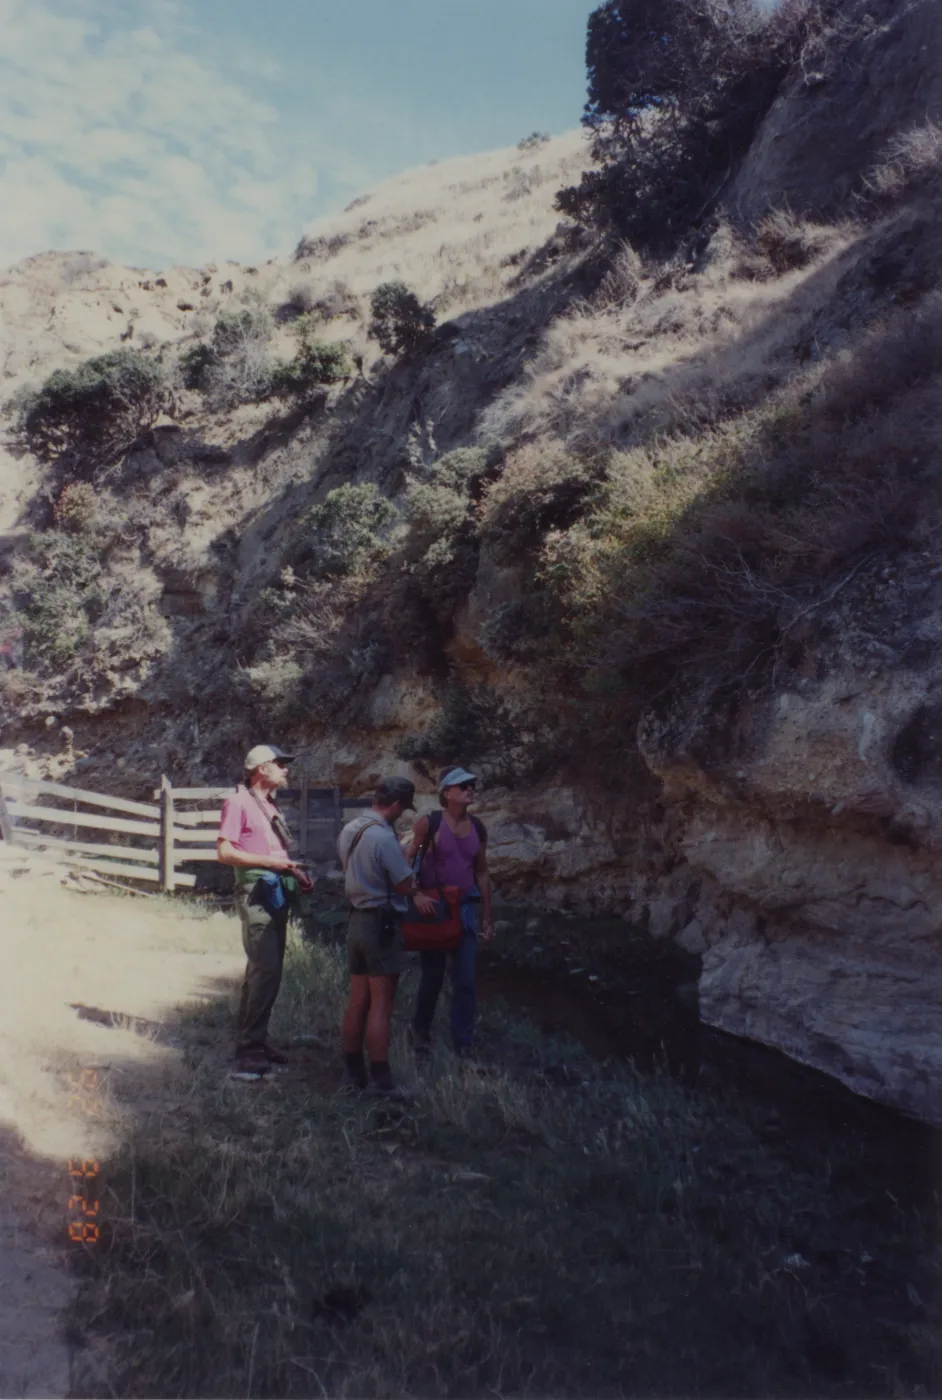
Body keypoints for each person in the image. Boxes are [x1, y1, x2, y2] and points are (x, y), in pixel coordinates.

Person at [217, 744, 313, 1078]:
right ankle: (249, 1049)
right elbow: (225, 852)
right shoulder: (238, 801)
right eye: (280, 764)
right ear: (261, 769)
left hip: (275, 888)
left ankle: (254, 1038)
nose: (286, 770)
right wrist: (271, 863)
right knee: (265, 967)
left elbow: (273, 851)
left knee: (265, 969)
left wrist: (293, 871)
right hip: (257, 890)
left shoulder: (267, 805)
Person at [337, 776, 437, 1099]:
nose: (402, 814)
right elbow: (404, 885)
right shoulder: (383, 838)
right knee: (382, 1005)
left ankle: (352, 1071)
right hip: (381, 923)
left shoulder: (351, 830)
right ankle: (382, 1080)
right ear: (395, 805)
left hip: (356, 920)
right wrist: (411, 866)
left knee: (358, 1001)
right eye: (403, 808)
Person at [406, 766, 494, 1059]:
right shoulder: (428, 823)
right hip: (435, 909)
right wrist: (415, 894)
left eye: (472, 784)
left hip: (466, 909)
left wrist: (487, 918)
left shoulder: (478, 827)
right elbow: (408, 861)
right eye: (464, 785)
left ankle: (463, 1044)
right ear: (447, 792)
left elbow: (482, 873)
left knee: (466, 980)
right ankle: (420, 1029)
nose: (470, 789)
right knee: (432, 976)